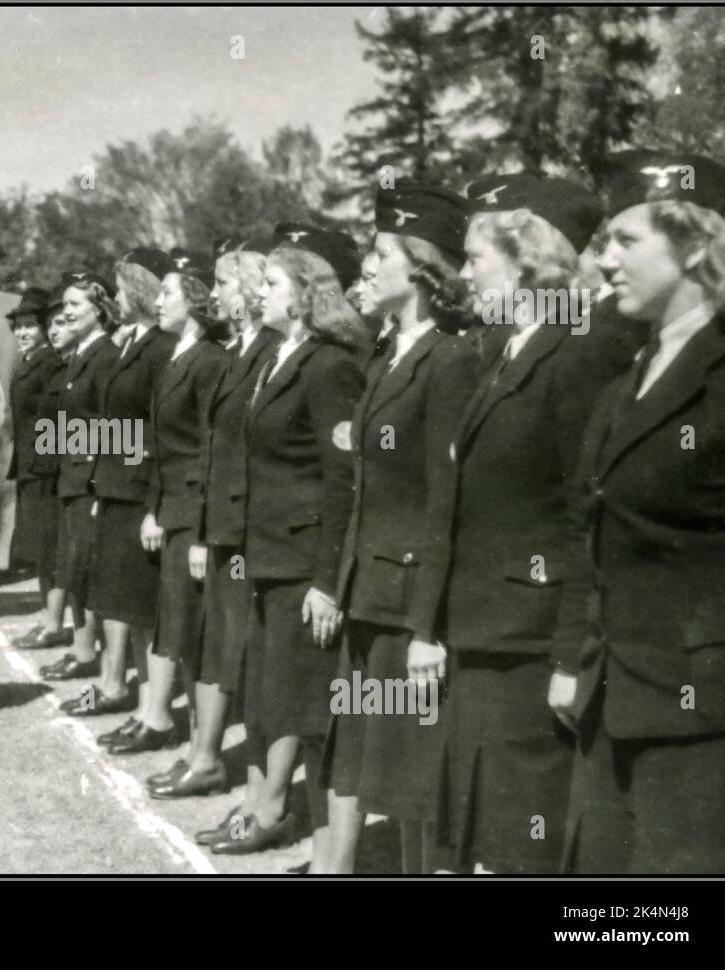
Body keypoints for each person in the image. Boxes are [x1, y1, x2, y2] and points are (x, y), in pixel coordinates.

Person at [405, 173, 632, 875]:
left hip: (532, 643)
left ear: (529, 258)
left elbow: (585, 518)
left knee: (530, 841)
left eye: (476, 259)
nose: (464, 275)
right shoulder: (517, 343)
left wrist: (571, 659)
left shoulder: (578, 349)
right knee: (494, 837)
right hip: (492, 634)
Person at [551, 152, 725, 874]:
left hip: (704, 716)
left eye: (626, 241)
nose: (603, 262)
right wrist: (571, 660)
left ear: (692, 243)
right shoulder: (628, 376)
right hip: (611, 696)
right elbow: (587, 531)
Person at [321, 185, 478, 875]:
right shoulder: (389, 355)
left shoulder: (448, 358)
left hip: (408, 600)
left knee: (420, 785)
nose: (368, 265)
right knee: (388, 777)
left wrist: (426, 628)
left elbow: (447, 499)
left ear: (419, 266)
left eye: (381, 253)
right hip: (371, 591)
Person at [206, 240, 365, 858]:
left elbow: (342, 481)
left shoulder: (328, 365)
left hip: (304, 571)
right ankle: (301, 839)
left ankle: (328, 860)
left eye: (271, 283)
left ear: (302, 294)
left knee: (314, 720)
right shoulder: (281, 356)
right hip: (270, 562)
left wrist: (328, 581)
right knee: (280, 707)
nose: (259, 292)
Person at [161, 238, 282, 808]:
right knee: (213, 643)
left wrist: (217, 530)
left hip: (243, 528)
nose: (216, 293)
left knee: (231, 647)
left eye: (226, 283)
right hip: (221, 524)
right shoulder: (242, 350)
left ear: (254, 290)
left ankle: (214, 763)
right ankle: (201, 755)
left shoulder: (269, 351)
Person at [108, 250, 228, 763]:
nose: (159, 301)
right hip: (170, 506)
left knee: (189, 630)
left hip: (191, 509)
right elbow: (160, 443)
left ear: (195, 301)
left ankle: (197, 746)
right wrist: (156, 506)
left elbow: (207, 450)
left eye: (169, 294)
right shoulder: (181, 353)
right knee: (170, 621)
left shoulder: (211, 361)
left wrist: (199, 527)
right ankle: (158, 717)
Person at [61, 249, 176, 749]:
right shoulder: (135, 344)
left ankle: (157, 715)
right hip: (115, 488)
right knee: (124, 604)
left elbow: (159, 432)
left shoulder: (159, 349)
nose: (115, 297)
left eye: (123, 288)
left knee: (142, 610)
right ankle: (138, 704)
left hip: (137, 494)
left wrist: (153, 505)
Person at [38, 271, 119, 683]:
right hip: (73, 474)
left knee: (83, 569)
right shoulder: (82, 354)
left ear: (99, 310)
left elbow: (111, 426)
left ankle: (86, 652)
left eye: (75, 305)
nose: (66, 312)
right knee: (74, 568)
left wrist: (95, 483)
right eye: (65, 305)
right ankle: (81, 648)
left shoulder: (104, 356)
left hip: (88, 478)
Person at [9, 289, 75, 648]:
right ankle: (49, 620)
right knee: (42, 551)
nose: (24, 332)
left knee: (51, 551)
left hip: (45, 469)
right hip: (32, 467)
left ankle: (54, 624)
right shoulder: (31, 361)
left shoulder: (50, 363)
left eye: (30, 326)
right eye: (18, 326)